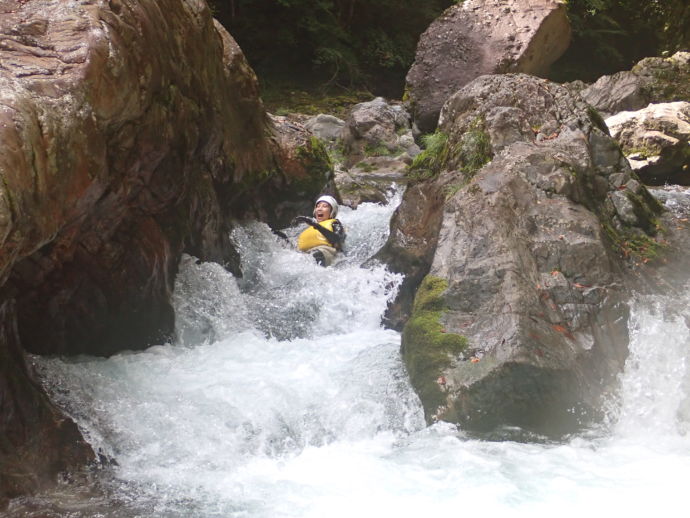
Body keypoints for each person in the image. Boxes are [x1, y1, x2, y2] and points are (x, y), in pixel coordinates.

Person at [293, 195, 345, 266]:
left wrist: (316, 226)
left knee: (314, 255)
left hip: (326, 253)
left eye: (324, 206)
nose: (319, 209)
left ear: (332, 211)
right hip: (306, 254)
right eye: (318, 206)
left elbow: (337, 240)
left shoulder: (335, 223)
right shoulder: (308, 228)